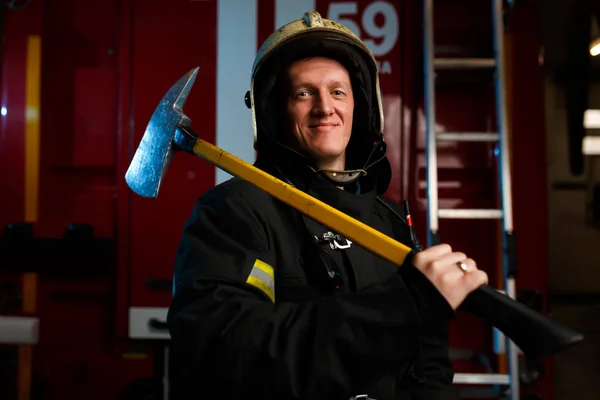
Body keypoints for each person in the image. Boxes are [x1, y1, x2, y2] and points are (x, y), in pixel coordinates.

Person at [167, 11, 488, 400]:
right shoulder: (233, 211)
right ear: (274, 112)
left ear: (360, 106)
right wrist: (399, 308)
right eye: (304, 93)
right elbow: (225, 352)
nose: (324, 107)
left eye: (338, 92)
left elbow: (428, 363)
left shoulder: (386, 219)